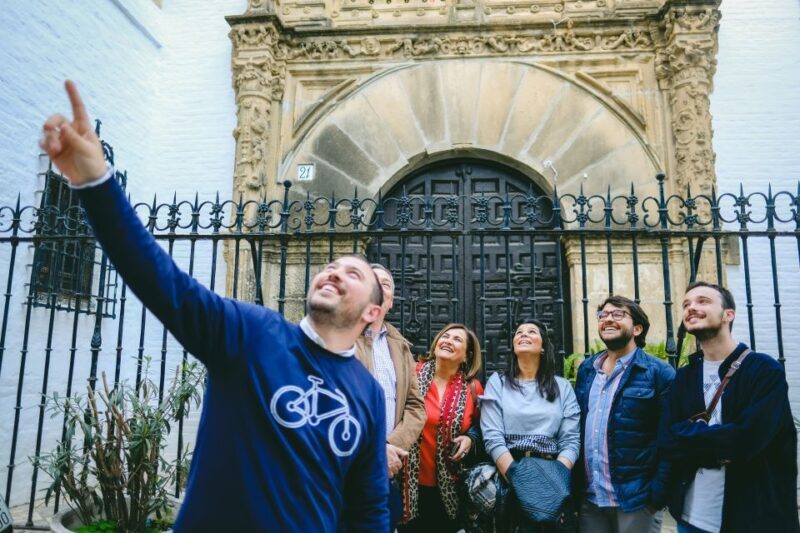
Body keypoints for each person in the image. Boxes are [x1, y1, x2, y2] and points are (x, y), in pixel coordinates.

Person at [40, 81, 389, 531]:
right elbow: (165, 284)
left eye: (353, 273)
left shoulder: (368, 394)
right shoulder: (252, 333)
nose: (334, 272)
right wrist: (96, 184)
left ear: (372, 313)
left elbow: (368, 510)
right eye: (331, 265)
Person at [660, 282, 799, 533]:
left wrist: (692, 437)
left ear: (728, 314)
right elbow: (668, 439)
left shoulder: (764, 371)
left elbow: (749, 439)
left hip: (752, 516)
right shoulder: (685, 377)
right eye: (686, 304)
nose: (691, 307)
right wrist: (721, 445)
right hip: (692, 518)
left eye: (703, 301)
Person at [573, 296, 675, 533]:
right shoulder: (587, 370)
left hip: (636, 500)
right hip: (591, 499)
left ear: (637, 328)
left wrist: (656, 496)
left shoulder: (659, 373)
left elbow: (671, 438)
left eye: (618, 314)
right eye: (604, 315)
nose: (608, 318)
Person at [481, 319, 581, 531]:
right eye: (519, 332)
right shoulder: (497, 382)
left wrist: (555, 480)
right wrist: (519, 479)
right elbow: (492, 436)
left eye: (531, 332)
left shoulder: (562, 387)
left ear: (543, 346)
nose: (523, 335)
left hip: (553, 473)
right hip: (510, 473)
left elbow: (571, 440)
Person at [354, 264, 426, 527]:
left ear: (391, 301)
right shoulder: (341, 340)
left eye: (384, 283)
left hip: (387, 468)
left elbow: (416, 407)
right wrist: (375, 450)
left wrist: (390, 449)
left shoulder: (401, 347)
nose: (376, 285)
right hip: (348, 465)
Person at [400, 323, 484, 532]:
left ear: (467, 355)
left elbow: (482, 428)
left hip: (450, 488)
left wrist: (470, 438)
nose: (448, 341)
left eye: (457, 339)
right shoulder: (410, 375)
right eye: (445, 336)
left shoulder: (472, 388)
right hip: (406, 485)